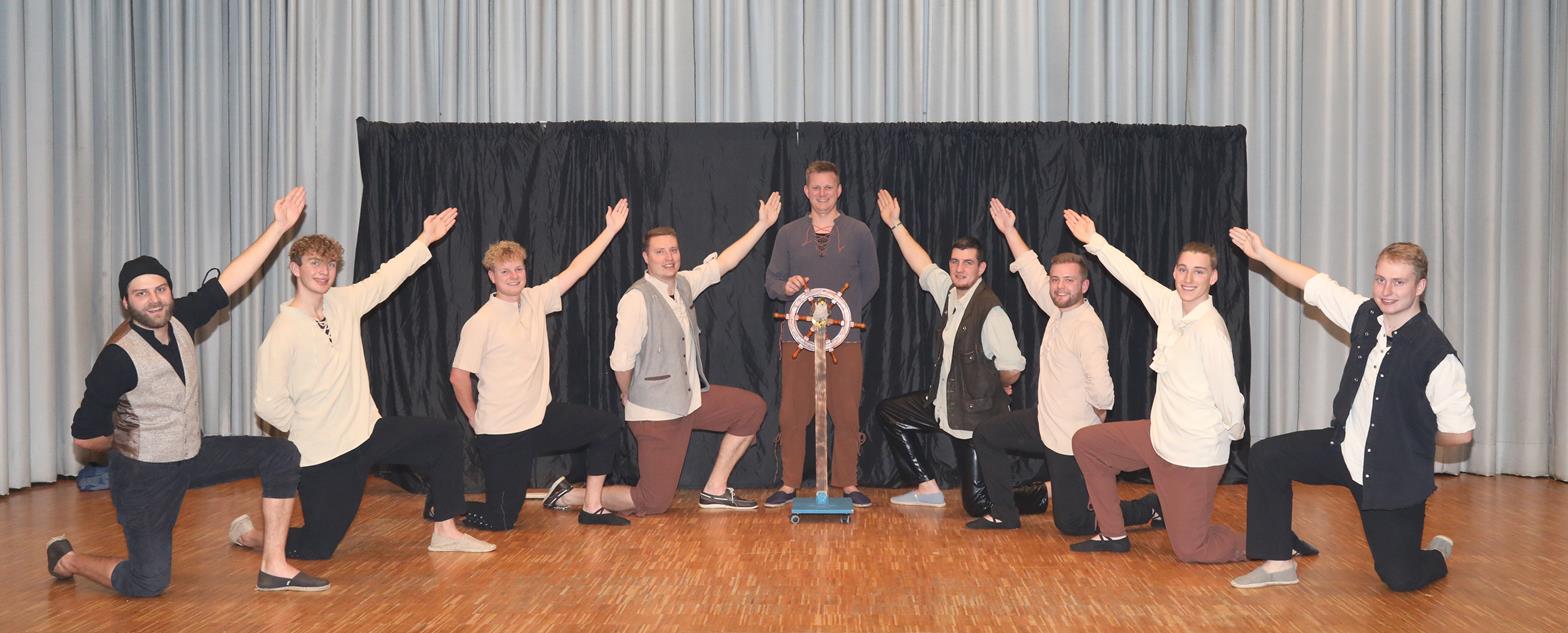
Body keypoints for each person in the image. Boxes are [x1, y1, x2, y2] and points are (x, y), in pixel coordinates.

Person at [48, 187, 328, 594]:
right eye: (141, 293)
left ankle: (274, 566)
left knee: (281, 455)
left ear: (169, 291)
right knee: (148, 581)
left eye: (160, 289)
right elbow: (84, 434)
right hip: (144, 477)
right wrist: (129, 441)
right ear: (126, 302)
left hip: (192, 455)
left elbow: (230, 280)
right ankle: (67, 559)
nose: (154, 300)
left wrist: (280, 226)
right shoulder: (117, 359)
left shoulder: (181, 318)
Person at [1228, 229, 1474, 591]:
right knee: (1267, 456)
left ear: (1420, 286)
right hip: (1343, 449)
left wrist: (1414, 435)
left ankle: (1435, 555)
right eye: (1380, 279)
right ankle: (1279, 563)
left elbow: (1461, 433)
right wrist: (1263, 255)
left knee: (1399, 577)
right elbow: (1314, 283)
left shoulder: (1436, 354)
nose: (1386, 290)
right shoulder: (1367, 315)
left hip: (1390, 473)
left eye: (1399, 282)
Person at [253, 206, 495, 559]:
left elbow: (385, 278)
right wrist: (309, 426)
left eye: (330, 264)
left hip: (368, 432)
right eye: (315, 263)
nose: (324, 271)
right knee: (318, 547)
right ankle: (254, 537)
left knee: (444, 436)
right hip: (325, 453)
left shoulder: (342, 303)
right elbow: (267, 403)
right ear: (295, 269)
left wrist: (425, 239)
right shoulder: (284, 330)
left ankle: (446, 531)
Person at [570, 192, 780, 516]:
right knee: (652, 502)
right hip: (655, 413)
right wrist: (629, 393)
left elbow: (724, 262)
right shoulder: (636, 299)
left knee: (750, 409)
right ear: (646, 257)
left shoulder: (683, 284)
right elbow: (620, 361)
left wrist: (762, 225)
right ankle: (574, 496)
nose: (669, 257)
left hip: (690, 400)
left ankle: (714, 490)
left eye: (673, 250)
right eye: (660, 252)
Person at [965, 199, 1162, 533]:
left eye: (1068, 280)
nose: (1059, 286)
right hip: (1044, 421)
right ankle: (1004, 514)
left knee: (1073, 522)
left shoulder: (1087, 327)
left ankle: (1150, 507)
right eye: (1056, 279)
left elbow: (1103, 392)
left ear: (1083, 286)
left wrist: (1092, 430)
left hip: (1071, 437)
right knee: (986, 435)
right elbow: (1031, 271)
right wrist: (1010, 230)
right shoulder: (1059, 309)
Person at [1062, 208, 1247, 562]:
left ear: (1213, 277)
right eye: (1182, 269)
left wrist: (1229, 435)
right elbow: (1134, 277)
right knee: (1088, 442)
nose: (1188, 278)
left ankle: (1268, 541)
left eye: (1198, 271)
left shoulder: (1210, 330)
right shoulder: (1170, 306)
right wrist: (1094, 241)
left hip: (1193, 453)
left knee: (1191, 550)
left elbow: (1229, 395)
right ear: (1174, 272)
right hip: (1160, 435)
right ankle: (1113, 533)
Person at [450, 199, 633, 528]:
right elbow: (458, 376)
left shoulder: (535, 299)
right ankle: (446, 503)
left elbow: (577, 269)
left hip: (539, 418)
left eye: (518, 269)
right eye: (505, 271)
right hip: (502, 431)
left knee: (605, 427)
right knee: (501, 519)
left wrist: (610, 231)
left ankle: (592, 507)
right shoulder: (481, 321)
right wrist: (475, 418)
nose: (514, 276)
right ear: (492, 276)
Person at [872, 190, 1025, 516]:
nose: (959, 268)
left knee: (979, 504)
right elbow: (923, 265)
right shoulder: (950, 292)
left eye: (968, 263)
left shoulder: (991, 310)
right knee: (891, 412)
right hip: (943, 403)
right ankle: (927, 489)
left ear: (981, 268)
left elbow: (1013, 367)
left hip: (975, 419)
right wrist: (895, 224)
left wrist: (999, 384)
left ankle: (1045, 492)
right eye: (955, 261)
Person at [763, 161, 880, 508]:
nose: (822, 193)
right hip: (796, 338)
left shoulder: (859, 232)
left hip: (846, 339)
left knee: (846, 412)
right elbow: (772, 281)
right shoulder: (788, 234)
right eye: (816, 187)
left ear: (839, 190)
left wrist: (844, 315)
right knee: (792, 413)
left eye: (828, 187)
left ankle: (848, 482)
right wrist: (785, 286)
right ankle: (789, 484)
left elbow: (871, 281)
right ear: (806, 191)